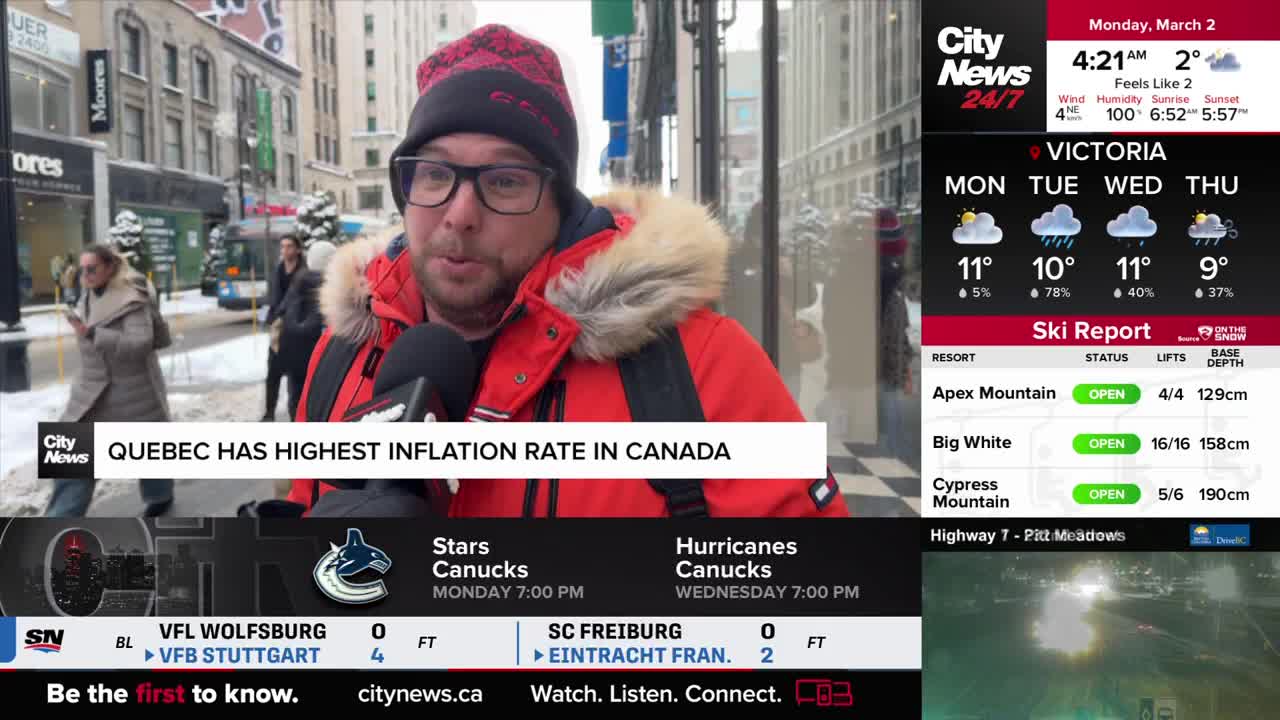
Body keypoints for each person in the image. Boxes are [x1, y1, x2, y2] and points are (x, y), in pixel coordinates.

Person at [286, 24, 848, 518]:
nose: (459, 215)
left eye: (504, 180)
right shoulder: (343, 355)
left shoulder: (702, 369)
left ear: (561, 207)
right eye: (434, 174)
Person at [46, 244, 173, 517]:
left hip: (128, 391)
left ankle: (160, 496)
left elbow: (140, 343)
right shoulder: (88, 296)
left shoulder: (130, 299)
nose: (86, 275)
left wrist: (94, 334)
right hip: (91, 389)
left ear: (110, 267)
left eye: (92, 268)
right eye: (83, 269)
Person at [279, 239, 337, 420]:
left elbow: (282, 311)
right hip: (321, 359)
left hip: (294, 357)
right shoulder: (332, 289)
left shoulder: (297, 282)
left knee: (296, 398)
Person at [262, 234, 305, 420]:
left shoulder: (305, 273)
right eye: (282, 247)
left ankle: (295, 415)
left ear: (297, 249)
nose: (285, 250)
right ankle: (269, 414)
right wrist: (270, 319)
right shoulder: (277, 271)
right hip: (278, 331)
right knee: (272, 375)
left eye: (289, 246)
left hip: (296, 333)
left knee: (295, 380)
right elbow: (273, 299)